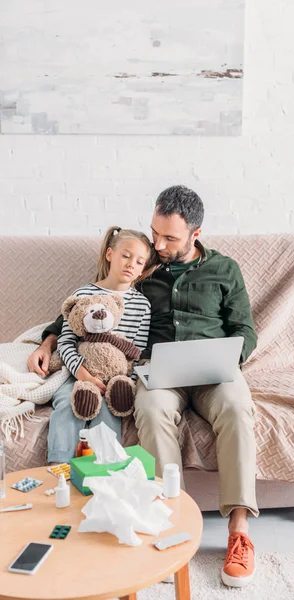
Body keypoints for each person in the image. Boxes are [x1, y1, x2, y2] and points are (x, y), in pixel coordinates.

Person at [28, 186, 258, 588]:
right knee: (149, 411)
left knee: (238, 409)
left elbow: (245, 331)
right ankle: (169, 524)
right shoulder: (146, 269)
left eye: (169, 238)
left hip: (213, 372)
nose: (158, 244)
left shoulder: (225, 271)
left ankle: (239, 532)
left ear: (196, 233)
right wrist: (49, 340)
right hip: (158, 371)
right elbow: (88, 304)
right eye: (155, 233)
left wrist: (229, 358)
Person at [36, 226, 157, 465]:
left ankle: (104, 467)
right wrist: (82, 374)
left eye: (140, 261)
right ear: (110, 254)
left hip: (116, 378)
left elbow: (137, 354)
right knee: (67, 402)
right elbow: (67, 341)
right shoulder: (84, 293)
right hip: (78, 372)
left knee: (109, 410)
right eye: (126, 255)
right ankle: (58, 466)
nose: (132, 264)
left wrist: (125, 384)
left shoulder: (142, 305)